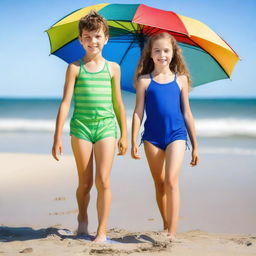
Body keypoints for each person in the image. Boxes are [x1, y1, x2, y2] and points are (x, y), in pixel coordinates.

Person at [52, 10, 128, 242]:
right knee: (85, 183)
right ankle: (83, 218)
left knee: (103, 181)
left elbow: (118, 103)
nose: (92, 41)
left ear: (106, 39)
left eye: (97, 36)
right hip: (81, 128)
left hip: (106, 128)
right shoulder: (75, 68)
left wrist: (124, 134)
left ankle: (102, 230)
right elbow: (66, 103)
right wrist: (57, 137)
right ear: (80, 39)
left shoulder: (113, 68)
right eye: (87, 36)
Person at [131, 32, 199, 241]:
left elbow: (187, 113)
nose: (162, 54)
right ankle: (166, 223)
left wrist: (195, 146)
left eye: (166, 50)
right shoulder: (143, 81)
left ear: (173, 53)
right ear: (150, 54)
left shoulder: (181, 80)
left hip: (176, 135)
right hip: (151, 137)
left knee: (171, 180)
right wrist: (134, 140)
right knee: (159, 183)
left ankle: (172, 232)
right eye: (157, 50)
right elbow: (138, 112)